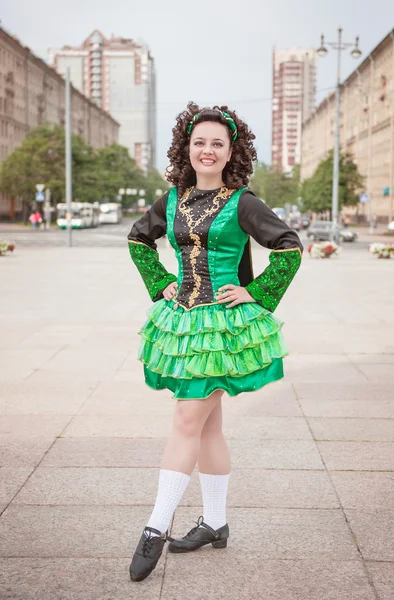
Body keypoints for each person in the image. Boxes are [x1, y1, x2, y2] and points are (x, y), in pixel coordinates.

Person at [127, 103, 303, 582]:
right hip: (182, 322)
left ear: (231, 153)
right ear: (187, 148)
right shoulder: (171, 200)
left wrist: (256, 293)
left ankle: (154, 528)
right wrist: (160, 281)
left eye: (217, 144)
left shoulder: (242, 201)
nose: (207, 150)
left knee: (187, 419)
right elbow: (139, 240)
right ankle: (216, 523)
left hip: (221, 327)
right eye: (199, 142)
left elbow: (289, 246)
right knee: (206, 428)